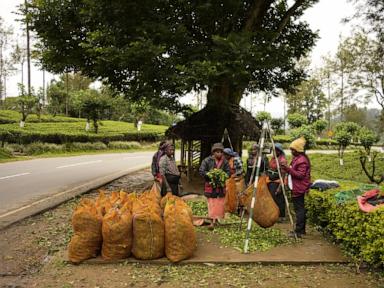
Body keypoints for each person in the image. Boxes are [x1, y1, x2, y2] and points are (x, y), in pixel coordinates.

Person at [282, 137, 311, 238]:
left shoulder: (302, 160)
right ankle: (300, 230)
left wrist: (287, 169)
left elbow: (300, 175)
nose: (291, 151)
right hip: (296, 186)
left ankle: (299, 231)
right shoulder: (297, 158)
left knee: (299, 209)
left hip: (299, 187)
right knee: (299, 208)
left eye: (293, 150)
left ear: (297, 150)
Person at [199, 143, 230, 229]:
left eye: (221, 152)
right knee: (212, 203)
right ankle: (212, 221)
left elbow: (228, 172)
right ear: (213, 152)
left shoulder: (225, 162)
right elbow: (201, 171)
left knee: (219, 203)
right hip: (210, 186)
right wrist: (210, 175)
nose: (219, 154)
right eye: (217, 152)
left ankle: (216, 220)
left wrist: (221, 176)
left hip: (220, 187)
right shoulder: (207, 161)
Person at [266, 143, 288, 221]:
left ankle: (281, 216)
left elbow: (283, 174)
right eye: (273, 150)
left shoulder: (282, 160)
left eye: (275, 150)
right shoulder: (273, 158)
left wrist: (280, 186)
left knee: (278, 199)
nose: (273, 152)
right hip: (271, 181)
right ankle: (274, 214)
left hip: (278, 182)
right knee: (273, 198)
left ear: (279, 151)